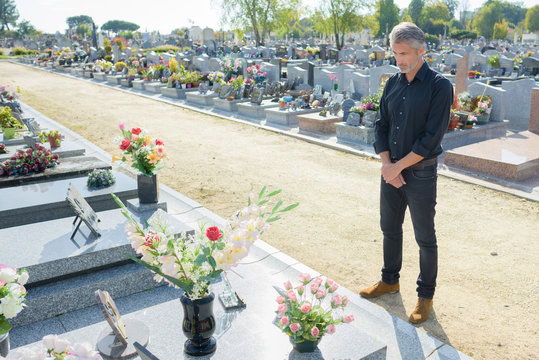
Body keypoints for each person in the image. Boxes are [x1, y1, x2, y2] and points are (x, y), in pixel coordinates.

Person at [360, 22, 453, 324]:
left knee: (425, 237)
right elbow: (381, 125)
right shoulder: (393, 83)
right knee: (389, 229)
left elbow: (430, 139)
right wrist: (388, 166)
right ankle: (390, 281)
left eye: (404, 53)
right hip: (391, 171)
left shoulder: (439, 86)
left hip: (421, 174)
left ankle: (425, 296)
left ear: (421, 50)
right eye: (395, 53)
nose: (398, 60)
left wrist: (397, 167)